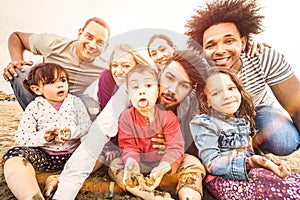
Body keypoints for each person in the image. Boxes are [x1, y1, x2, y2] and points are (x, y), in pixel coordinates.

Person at [53, 50, 206, 200]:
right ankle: (153, 195)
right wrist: (66, 188)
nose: (172, 90)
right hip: (136, 158)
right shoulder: (130, 94)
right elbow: (98, 135)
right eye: (169, 78)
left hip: (167, 160)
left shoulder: (186, 106)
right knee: (116, 166)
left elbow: (179, 144)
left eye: (184, 85)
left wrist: (167, 156)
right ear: (160, 73)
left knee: (192, 162)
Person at [185, 0, 300, 156]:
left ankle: (254, 146)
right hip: (219, 117)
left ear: (243, 41)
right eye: (210, 45)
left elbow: (297, 105)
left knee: (285, 141)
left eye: (229, 41)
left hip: (257, 111)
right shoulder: (198, 72)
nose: (220, 50)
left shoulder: (262, 57)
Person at [190, 67, 300, 199]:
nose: (227, 95)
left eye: (231, 88)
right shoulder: (205, 123)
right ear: (206, 101)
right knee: (287, 192)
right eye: (216, 93)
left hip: (250, 172)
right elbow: (211, 164)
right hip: (223, 180)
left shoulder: (241, 118)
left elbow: (248, 150)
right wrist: (249, 162)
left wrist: (269, 161)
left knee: (294, 182)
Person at [2, 63, 92, 200]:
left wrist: (71, 132)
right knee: (13, 156)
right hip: (45, 156)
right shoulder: (34, 107)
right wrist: (43, 137)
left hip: (74, 157)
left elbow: (87, 126)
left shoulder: (75, 102)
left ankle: (58, 178)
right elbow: (22, 137)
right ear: (37, 89)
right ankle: (31, 195)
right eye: (51, 82)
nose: (60, 85)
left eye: (63, 80)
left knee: (101, 149)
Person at [2, 17, 110, 120]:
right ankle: (39, 123)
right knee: (20, 72)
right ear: (80, 33)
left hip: (75, 103)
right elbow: (17, 37)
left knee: (92, 106)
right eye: (89, 37)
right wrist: (16, 60)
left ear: (105, 46)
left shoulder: (105, 65)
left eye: (100, 42)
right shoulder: (53, 44)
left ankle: (79, 135)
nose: (92, 45)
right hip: (45, 96)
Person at [110, 64, 184, 199]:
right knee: (115, 166)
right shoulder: (127, 117)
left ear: (158, 91)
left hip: (164, 164)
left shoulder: (168, 117)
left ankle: (189, 194)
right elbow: (128, 146)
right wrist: (132, 163)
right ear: (128, 94)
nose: (142, 91)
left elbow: (175, 147)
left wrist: (164, 166)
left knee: (192, 162)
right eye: (135, 87)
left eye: (148, 86)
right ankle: (150, 195)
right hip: (140, 163)